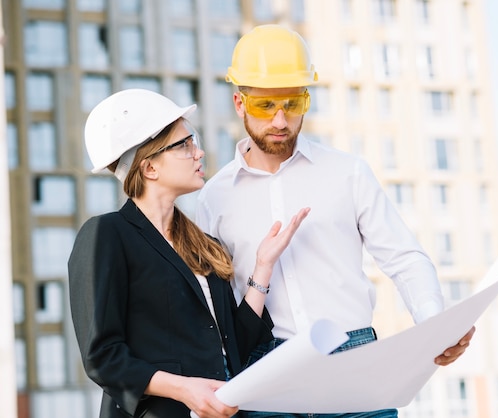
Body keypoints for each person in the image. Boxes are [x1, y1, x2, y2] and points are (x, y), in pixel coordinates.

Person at [196, 25, 475, 417]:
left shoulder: (348, 173)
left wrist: (433, 326)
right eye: (265, 107)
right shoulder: (213, 198)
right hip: (264, 375)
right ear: (240, 103)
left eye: (293, 104)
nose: (280, 120)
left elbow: (404, 257)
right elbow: (213, 306)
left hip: (354, 361)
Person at [68, 88, 309, 418]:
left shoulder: (204, 245)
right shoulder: (107, 235)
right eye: (185, 144)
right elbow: (103, 356)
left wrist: (263, 267)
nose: (200, 152)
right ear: (149, 167)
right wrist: (184, 388)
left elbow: (234, 346)